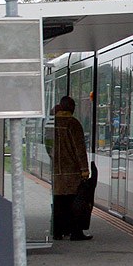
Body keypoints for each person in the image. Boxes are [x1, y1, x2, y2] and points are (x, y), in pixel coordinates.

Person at [51, 96, 92, 241]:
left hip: (57, 171)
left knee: (59, 202)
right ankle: (75, 232)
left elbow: (48, 145)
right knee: (75, 203)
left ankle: (57, 232)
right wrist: (84, 169)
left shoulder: (52, 123)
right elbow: (79, 148)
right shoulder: (73, 124)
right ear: (71, 108)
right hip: (72, 171)